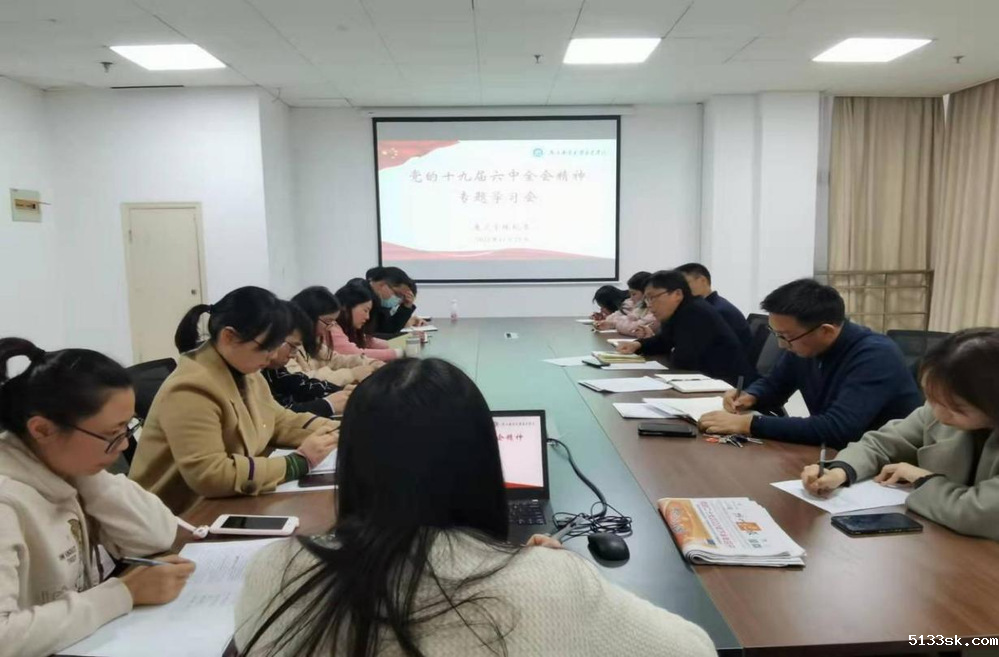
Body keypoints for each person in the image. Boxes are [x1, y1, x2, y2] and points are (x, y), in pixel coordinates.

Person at [234, 358, 715, 657]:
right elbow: (695, 650)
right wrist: (567, 579)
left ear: (354, 462)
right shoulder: (551, 581)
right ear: (484, 459)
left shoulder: (276, 570)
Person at [0, 338, 196, 657]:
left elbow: (157, 536)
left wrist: (90, 477)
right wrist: (124, 593)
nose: (123, 446)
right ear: (42, 430)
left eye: (127, 428)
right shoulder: (7, 501)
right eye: (110, 434)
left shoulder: (63, 468)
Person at [129, 286, 339, 514]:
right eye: (266, 347)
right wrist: (297, 463)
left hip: (220, 504)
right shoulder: (190, 388)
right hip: (177, 515)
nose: (272, 356)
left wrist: (339, 432)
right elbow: (210, 474)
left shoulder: (245, 370)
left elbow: (277, 420)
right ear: (229, 336)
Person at [802, 328, 999, 541]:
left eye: (957, 408)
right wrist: (840, 471)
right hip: (943, 539)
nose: (939, 415)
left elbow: (974, 514)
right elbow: (880, 444)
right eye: (931, 398)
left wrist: (921, 478)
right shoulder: (937, 409)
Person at [700, 279, 922, 447]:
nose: (782, 345)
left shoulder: (875, 356)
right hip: (834, 453)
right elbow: (775, 385)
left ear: (826, 331)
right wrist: (751, 396)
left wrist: (748, 424)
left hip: (882, 463)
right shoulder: (805, 345)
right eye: (776, 334)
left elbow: (838, 428)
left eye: (786, 336)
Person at [617, 270, 756, 386]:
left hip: (727, 387)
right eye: (647, 299)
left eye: (653, 298)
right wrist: (638, 345)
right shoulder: (679, 311)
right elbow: (664, 341)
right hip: (704, 380)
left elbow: (684, 360)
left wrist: (672, 350)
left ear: (677, 294)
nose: (649, 305)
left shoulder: (696, 312)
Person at [262, 303, 353, 418]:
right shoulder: (258, 372)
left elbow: (299, 384)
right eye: (328, 321)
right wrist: (327, 405)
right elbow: (276, 417)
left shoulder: (274, 370)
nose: (330, 327)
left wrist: (340, 391)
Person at [287, 286, 382, 386]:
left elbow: (337, 359)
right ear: (308, 317)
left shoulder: (313, 341)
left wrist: (370, 363)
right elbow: (301, 381)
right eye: (328, 321)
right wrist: (351, 374)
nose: (330, 328)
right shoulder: (287, 346)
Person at [674, 263, 752, 349]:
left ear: (702, 280)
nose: (681, 290)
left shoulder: (717, 311)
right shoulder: (712, 305)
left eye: (685, 284)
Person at [330, 281, 401, 362]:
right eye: (365, 310)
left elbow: (372, 342)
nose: (368, 317)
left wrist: (406, 343)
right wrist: (398, 353)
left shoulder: (350, 329)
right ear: (345, 307)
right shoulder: (331, 328)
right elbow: (354, 354)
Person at [594, 271, 658, 336]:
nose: (631, 298)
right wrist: (611, 323)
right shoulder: (631, 303)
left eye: (634, 294)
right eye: (630, 294)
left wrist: (615, 323)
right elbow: (611, 318)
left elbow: (633, 328)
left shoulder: (655, 310)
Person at [367, 266, 426, 333]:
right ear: (383, 285)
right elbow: (372, 335)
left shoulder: (380, 304)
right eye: (397, 294)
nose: (397, 300)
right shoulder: (362, 295)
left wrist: (406, 307)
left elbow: (389, 330)